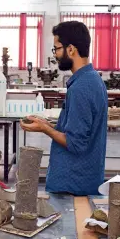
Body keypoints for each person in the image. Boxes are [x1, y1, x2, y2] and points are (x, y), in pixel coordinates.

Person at [20, 21, 108, 196]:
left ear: (71, 49)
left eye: (57, 48)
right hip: (84, 178)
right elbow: (78, 131)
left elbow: (75, 143)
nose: (55, 55)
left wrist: (44, 128)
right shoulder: (93, 80)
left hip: (72, 185)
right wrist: (49, 124)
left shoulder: (81, 87)